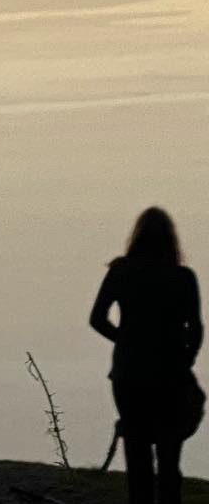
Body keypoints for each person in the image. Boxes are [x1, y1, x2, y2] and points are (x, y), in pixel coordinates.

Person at [91, 206, 204, 504]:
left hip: (129, 375)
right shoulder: (183, 277)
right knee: (169, 459)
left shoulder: (121, 271)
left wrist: (125, 340)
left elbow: (97, 319)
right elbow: (196, 327)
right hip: (171, 375)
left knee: (137, 455)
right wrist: (187, 358)